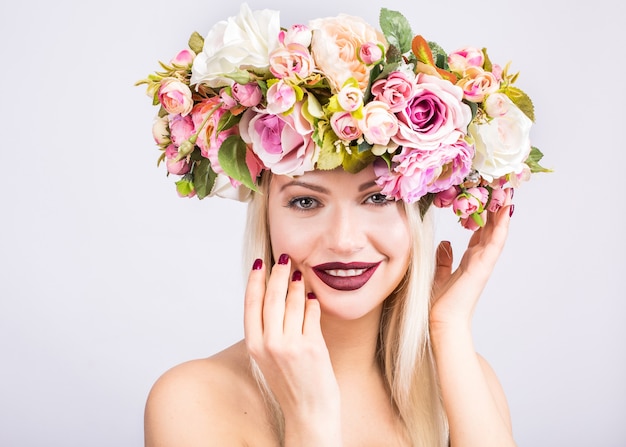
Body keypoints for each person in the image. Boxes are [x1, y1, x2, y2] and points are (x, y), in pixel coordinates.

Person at [137, 4, 546, 446]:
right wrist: (310, 420)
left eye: (378, 197)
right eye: (306, 201)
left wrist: (447, 328)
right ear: (266, 215)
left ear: (416, 211)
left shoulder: (463, 378)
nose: (345, 241)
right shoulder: (191, 400)